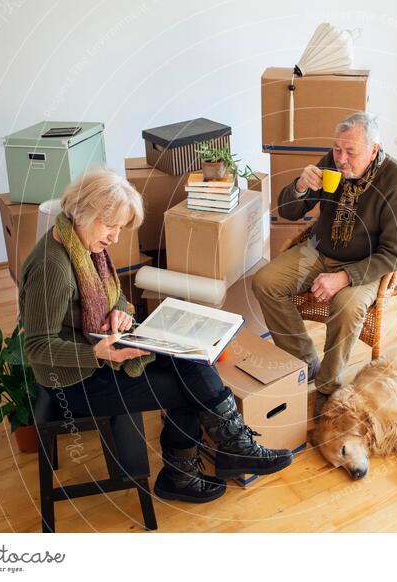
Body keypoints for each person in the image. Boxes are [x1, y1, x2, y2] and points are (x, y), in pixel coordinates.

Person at [18, 169, 292, 504]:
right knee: (188, 389)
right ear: (85, 212)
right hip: (74, 380)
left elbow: (113, 295)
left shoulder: (83, 243)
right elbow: (35, 346)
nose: (116, 238)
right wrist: (97, 354)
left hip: (100, 348)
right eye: (111, 226)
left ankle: (230, 448)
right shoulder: (53, 267)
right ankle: (188, 471)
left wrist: (119, 311)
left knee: (189, 354)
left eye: (121, 228)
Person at [252, 112, 397, 415]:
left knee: (349, 307)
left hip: (365, 264)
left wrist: (343, 277)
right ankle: (305, 361)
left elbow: (394, 253)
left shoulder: (396, 180)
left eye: (350, 152)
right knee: (265, 282)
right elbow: (289, 211)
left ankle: (329, 386)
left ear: (374, 149)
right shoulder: (331, 162)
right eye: (337, 149)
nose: (340, 158)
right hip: (319, 250)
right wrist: (300, 186)